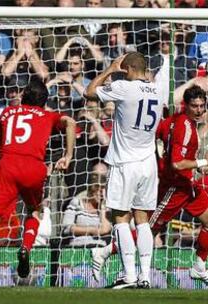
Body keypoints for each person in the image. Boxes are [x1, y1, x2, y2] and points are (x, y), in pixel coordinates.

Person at [91, 85, 208, 290]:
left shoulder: (171, 121)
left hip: (188, 185)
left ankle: (199, 267)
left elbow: (155, 137)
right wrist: (204, 162)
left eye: (202, 106)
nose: (199, 110)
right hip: (173, 187)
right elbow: (177, 164)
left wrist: (160, 156)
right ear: (185, 106)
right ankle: (105, 251)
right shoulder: (185, 128)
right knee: (149, 230)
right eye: (194, 106)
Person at [0, 79, 76, 288]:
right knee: (34, 211)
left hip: (8, 166)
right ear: (43, 101)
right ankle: (25, 248)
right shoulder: (48, 115)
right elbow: (70, 123)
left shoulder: (6, 112)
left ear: (23, 95)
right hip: (34, 167)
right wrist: (67, 155)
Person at [85, 52, 164, 289]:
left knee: (120, 218)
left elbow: (89, 92)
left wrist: (110, 69)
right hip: (148, 162)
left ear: (128, 68)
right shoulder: (159, 89)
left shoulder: (122, 87)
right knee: (143, 221)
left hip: (124, 162)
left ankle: (129, 275)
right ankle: (146, 276)